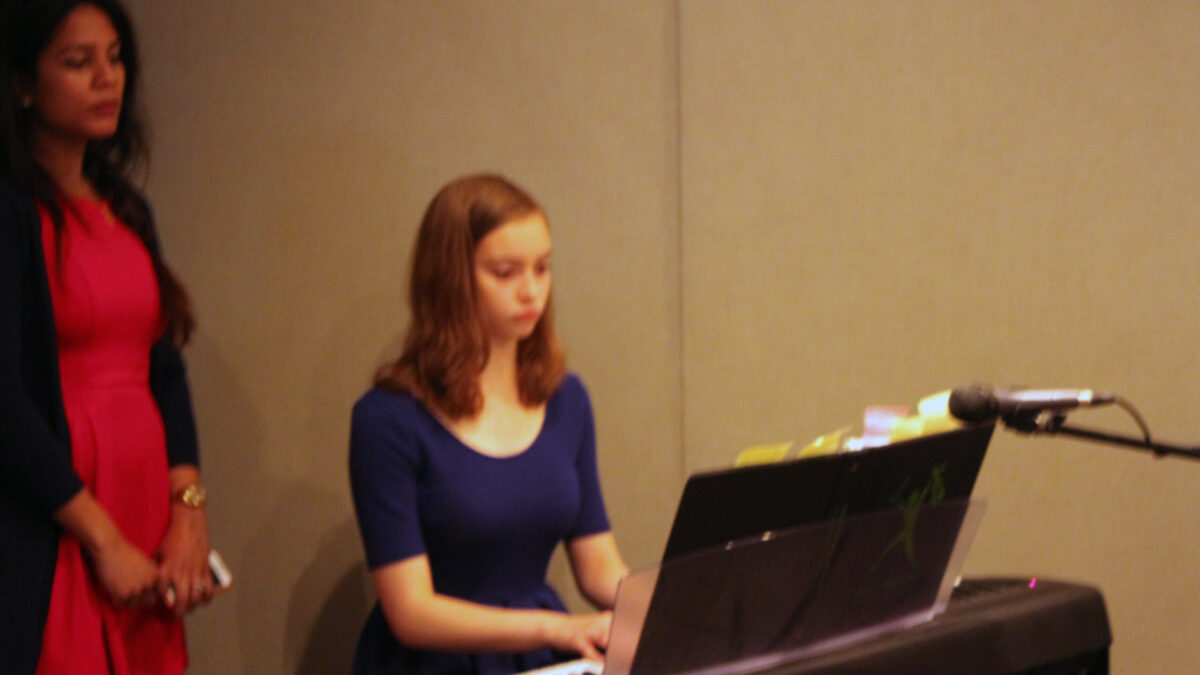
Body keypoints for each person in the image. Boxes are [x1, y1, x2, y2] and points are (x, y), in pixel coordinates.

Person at [0, 1, 216, 672]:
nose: (107, 78)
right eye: (78, 62)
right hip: (59, 516)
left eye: (115, 58)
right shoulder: (10, 211)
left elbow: (164, 368)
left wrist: (187, 510)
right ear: (23, 84)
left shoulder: (127, 207)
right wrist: (102, 539)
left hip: (141, 500)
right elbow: (4, 402)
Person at [349, 173, 629, 674]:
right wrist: (556, 628)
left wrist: (677, 602)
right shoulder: (388, 420)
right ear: (451, 279)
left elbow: (599, 566)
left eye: (542, 268)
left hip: (540, 658)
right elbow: (411, 612)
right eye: (505, 272)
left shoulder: (567, 400)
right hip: (435, 664)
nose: (531, 291)